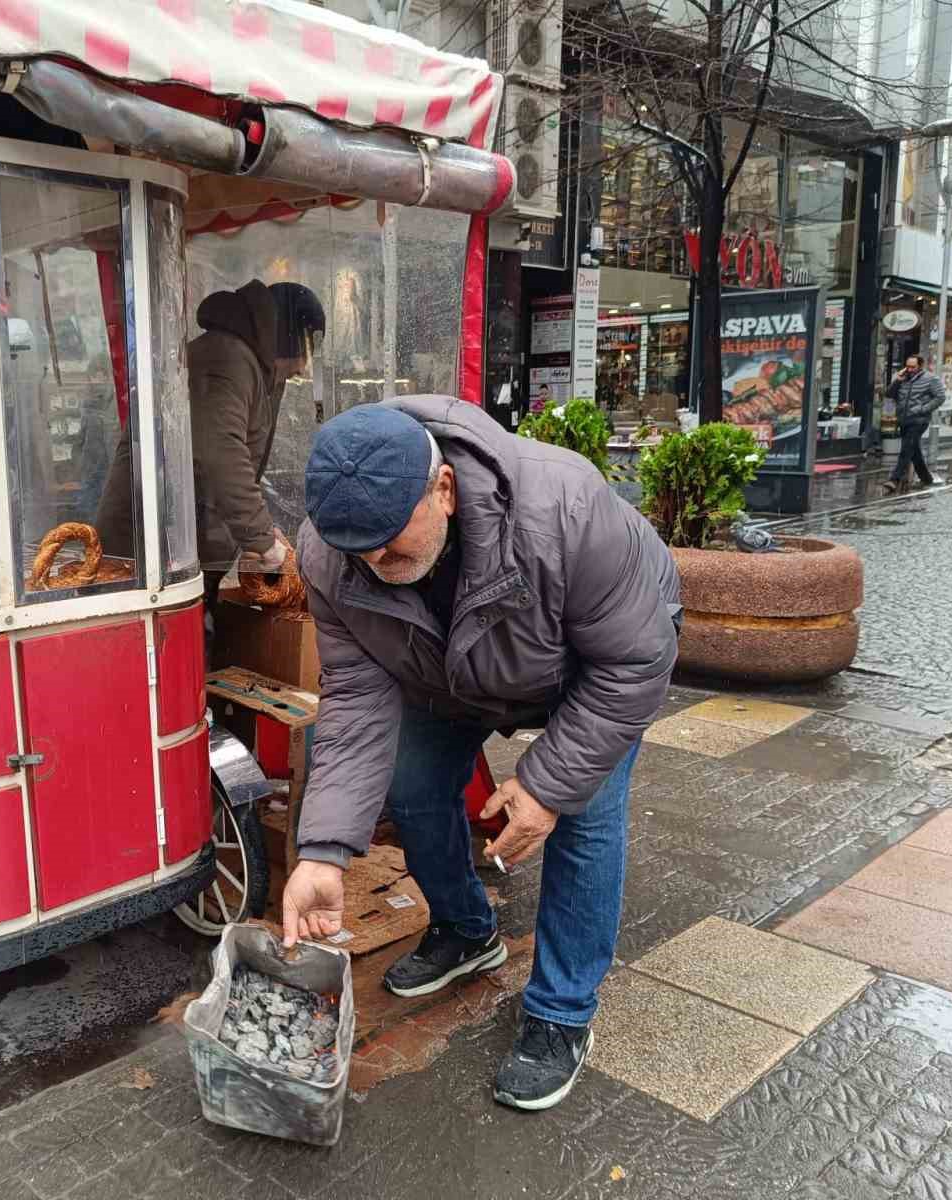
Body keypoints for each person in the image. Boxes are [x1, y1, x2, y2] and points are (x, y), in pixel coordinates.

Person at [284, 398, 679, 1113]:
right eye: (357, 549)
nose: (376, 563)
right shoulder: (328, 552)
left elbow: (632, 665)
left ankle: (561, 1013)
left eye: (390, 540)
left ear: (443, 488)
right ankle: (467, 929)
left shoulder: (564, 507)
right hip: (448, 669)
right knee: (413, 779)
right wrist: (322, 851)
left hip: (597, 663)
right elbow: (354, 695)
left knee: (583, 815)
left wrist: (547, 787)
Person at [96, 278, 325, 617]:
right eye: (306, 351)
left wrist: (257, 531)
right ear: (289, 338)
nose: (304, 367)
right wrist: (262, 541)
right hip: (151, 551)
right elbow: (221, 455)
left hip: (182, 544)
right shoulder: (226, 359)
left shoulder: (250, 363)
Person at [883, 356, 946, 493]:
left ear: (920, 366)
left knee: (906, 449)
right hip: (903, 419)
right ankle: (926, 478)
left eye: (913, 367)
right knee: (913, 449)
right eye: (908, 366)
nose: (910, 370)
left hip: (919, 420)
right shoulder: (901, 377)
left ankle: (894, 479)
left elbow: (940, 397)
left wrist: (923, 409)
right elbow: (889, 394)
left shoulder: (931, 379)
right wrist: (897, 382)